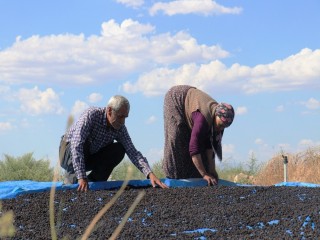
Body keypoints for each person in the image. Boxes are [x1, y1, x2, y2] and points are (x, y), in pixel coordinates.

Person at [59, 95, 168, 192]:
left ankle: (94, 183)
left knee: (119, 149)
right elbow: (76, 144)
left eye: (125, 117)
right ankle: (74, 180)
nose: (123, 121)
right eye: (120, 116)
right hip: (68, 153)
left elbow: (132, 151)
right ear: (110, 111)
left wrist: (150, 174)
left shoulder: (120, 128)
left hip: (90, 156)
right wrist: (81, 177)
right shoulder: (91, 115)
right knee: (73, 189)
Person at [162, 85, 234, 186]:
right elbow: (194, 149)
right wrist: (204, 174)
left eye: (225, 127)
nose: (221, 129)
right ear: (216, 115)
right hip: (176, 99)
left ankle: (196, 178)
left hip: (192, 105)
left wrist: (212, 170)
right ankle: (173, 178)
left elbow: (210, 147)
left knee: (202, 146)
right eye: (221, 125)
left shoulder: (221, 123)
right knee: (177, 139)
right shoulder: (202, 120)